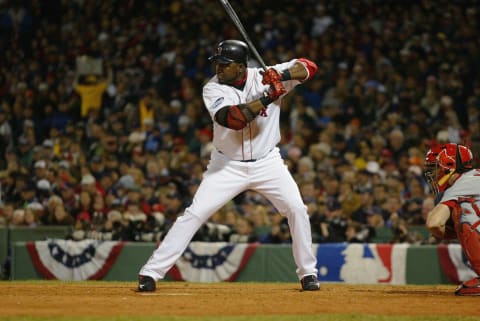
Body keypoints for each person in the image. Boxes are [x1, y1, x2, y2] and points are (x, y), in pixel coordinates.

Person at [138, 39, 320, 291]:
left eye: (225, 64)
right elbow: (233, 119)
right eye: (217, 63)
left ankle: (308, 274)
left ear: (241, 66)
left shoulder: (265, 76)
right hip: (227, 165)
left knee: (297, 209)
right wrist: (269, 96)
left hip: (268, 162)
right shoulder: (212, 89)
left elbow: (310, 67)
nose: (219, 69)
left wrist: (281, 75)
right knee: (194, 214)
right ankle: (150, 273)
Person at [423, 143, 480, 295]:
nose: (432, 174)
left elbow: (434, 224)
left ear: (449, 166)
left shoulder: (461, 185)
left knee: (463, 210)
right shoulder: (474, 178)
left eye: (435, 168)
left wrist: (445, 233)